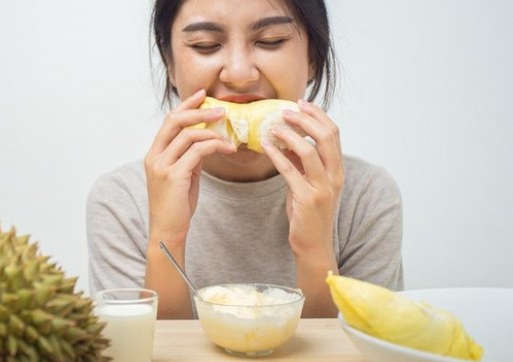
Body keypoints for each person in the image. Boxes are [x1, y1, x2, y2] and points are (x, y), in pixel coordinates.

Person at [86, 0, 403, 318]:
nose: (239, 74)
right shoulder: (122, 201)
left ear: (313, 58)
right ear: (169, 64)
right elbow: (140, 360)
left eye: (271, 41)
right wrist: (166, 238)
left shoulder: (364, 195)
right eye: (205, 45)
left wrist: (314, 250)